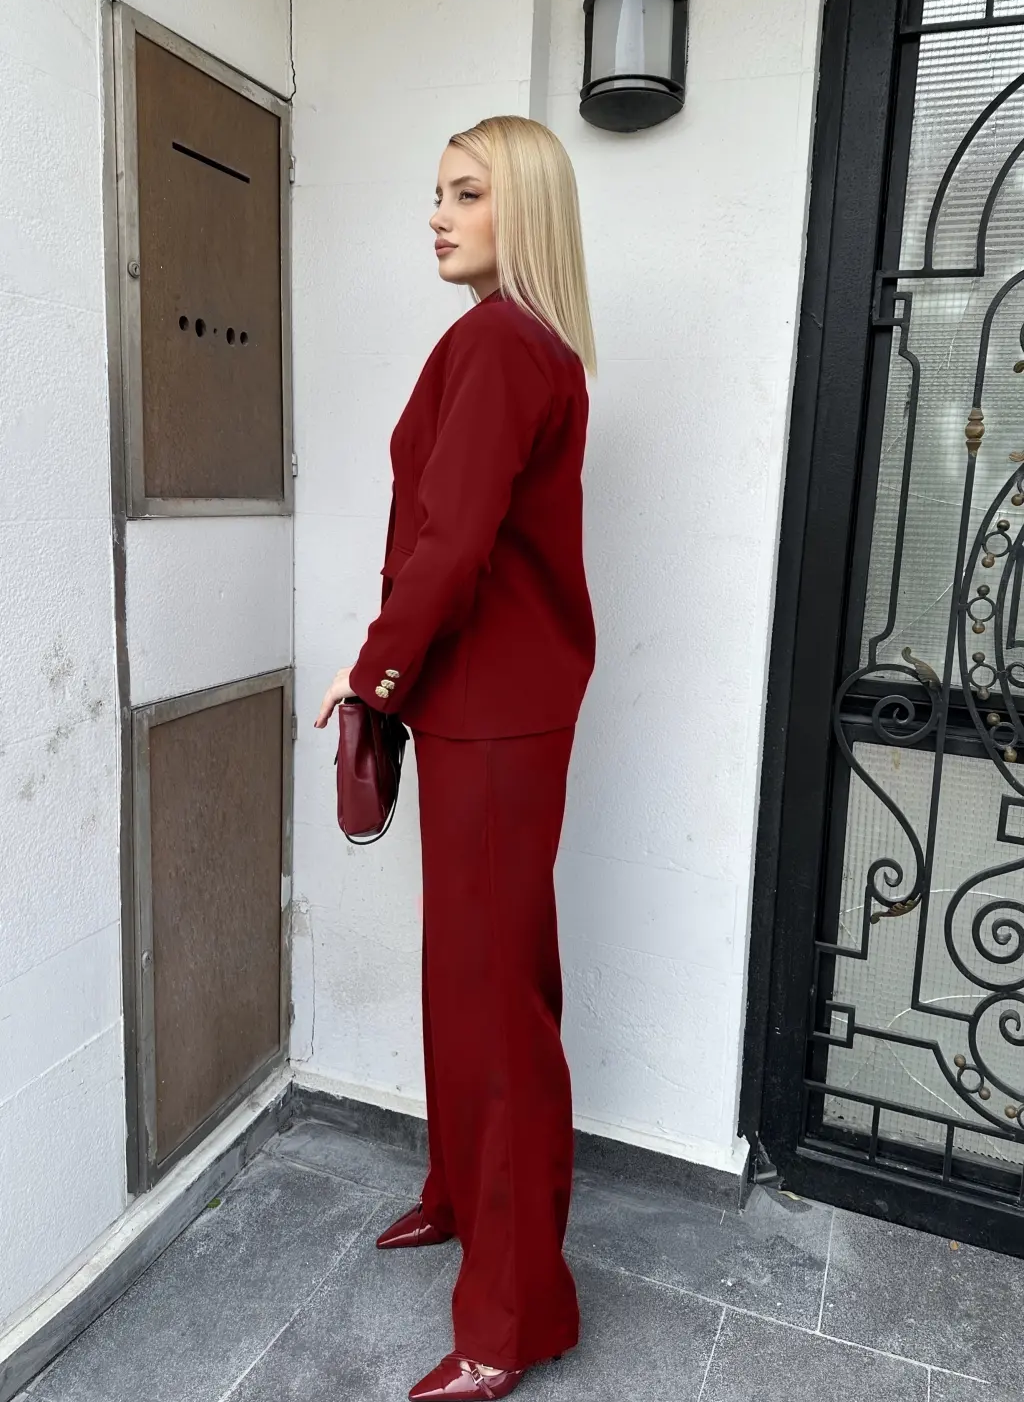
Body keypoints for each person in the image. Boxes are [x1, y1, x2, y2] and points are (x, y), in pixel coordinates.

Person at [314, 113, 597, 1401]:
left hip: (492, 710)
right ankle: (460, 1193)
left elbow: (453, 542)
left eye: (467, 193)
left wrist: (372, 671)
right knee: (470, 977)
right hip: (486, 706)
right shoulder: (513, 340)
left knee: (496, 1004)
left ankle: (513, 1317)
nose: (437, 214)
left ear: (520, 207)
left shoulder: (500, 343)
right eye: (436, 192)